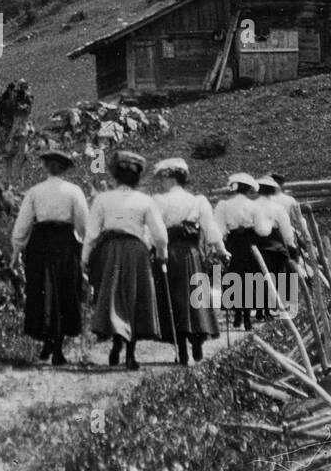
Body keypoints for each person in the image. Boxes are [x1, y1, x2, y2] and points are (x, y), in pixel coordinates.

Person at [84, 150, 167, 371]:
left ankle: (116, 341)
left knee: (113, 295)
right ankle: (130, 353)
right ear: (137, 177)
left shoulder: (103, 198)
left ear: (115, 175)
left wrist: (85, 259)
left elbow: (91, 233)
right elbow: (159, 234)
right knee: (134, 297)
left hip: (109, 249)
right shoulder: (145, 201)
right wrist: (162, 254)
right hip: (136, 250)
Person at [11, 144, 89, 365]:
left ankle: (49, 344)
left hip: (41, 243)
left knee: (43, 291)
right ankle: (56, 347)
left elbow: (23, 223)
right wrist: (84, 245)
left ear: (46, 167)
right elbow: (83, 222)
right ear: (64, 169)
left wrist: (17, 249)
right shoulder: (73, 191)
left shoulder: (35, 192)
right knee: (63, 291)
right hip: (64, 242)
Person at [149, 158, 228, 367]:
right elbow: (210, 229)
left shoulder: (159, 201)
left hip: (169, 253)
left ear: (172, 177)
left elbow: (154, 231)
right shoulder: (197, 201)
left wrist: (154, 250)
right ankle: (196, 342)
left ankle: (183, 348)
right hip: (192, 255)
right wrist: (222, 250)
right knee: (195, 299)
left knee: (174, 301)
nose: (161, 182)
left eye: (164, 178)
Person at [213, 173, 260, 331]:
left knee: (234, 277)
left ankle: (238, 315)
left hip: (232, 243)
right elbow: (261, 228)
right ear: (248, 189)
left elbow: (219, 228)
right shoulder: (254, 205)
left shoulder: (224, 205)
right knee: (249, 278)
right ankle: (246, 318)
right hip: (249, 243)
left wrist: (221, 247)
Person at [254, 175, 299, 317]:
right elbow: (286, 230)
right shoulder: (278, 208)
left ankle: (261, 308)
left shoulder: (252, 206)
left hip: (256, 242)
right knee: (280, 272)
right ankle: (279, 304)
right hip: (275, 242)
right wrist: (290, 243)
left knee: (257, 274)